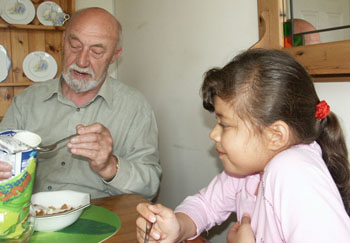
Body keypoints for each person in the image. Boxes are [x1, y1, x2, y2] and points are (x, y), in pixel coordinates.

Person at [136, 49, 350, 242]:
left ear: (275, 135)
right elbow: (206, 205)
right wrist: (177, 226)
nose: (213, 134)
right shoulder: (248, 169)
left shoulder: (293, 171)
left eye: (224, 124)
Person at [0, 8, 161, 200]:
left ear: (115, 56)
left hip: (101, 217)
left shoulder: (135, 107)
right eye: (75, 45)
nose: (82, 61)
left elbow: (150, 187)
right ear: (63, 41)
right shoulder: (27, 101)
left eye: (97, 51)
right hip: (31, 215)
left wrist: (109, 166)